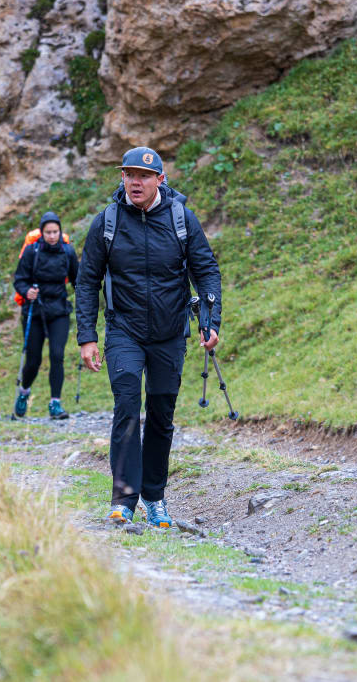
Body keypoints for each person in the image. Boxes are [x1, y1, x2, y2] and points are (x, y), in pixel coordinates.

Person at [76, 147, 222, 527]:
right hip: (124, 330)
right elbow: (87, 281)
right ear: (122, 178)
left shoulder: (181, 219)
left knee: (161, 414)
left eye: (144, 176)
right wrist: (87, 336)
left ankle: (155, 498)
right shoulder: (107, 222)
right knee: (127, 406)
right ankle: (124, 499)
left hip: (169, 333)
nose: (136, 182)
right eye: (129, 175)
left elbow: (206, 271)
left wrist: (210, 321)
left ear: (160, 179)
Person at [13, 212, 79, 420]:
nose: (52, 236)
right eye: (48, 232)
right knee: (33, 360)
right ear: (42, 233)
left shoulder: (67, 252)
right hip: (35, 310)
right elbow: (19, 279)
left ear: (60, 232)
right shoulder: (31, 252)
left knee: (57, 355)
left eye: (55, 232)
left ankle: (55, 403)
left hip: (59, 310)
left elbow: (77, 280)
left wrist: (86, 299)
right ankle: (24, 392)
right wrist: (27, 292)